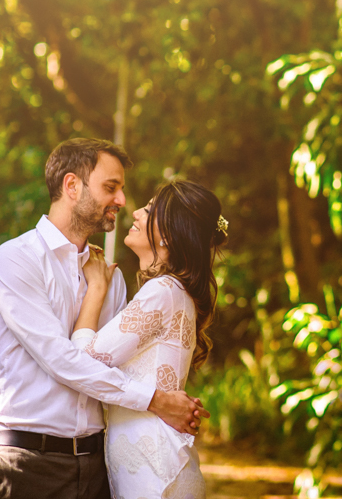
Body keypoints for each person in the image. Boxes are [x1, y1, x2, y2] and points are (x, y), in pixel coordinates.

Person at [0, 138, 209, 499]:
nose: (121, 201)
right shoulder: (15, 261)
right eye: (111, 188)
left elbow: (115, 368)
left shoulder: (111, 278)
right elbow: (63, 361)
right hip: (29, 462)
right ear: (72, 186)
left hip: (97, 466)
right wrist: (157, 400)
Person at [72, 179, 227, 499]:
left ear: (168, 235)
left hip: (156, 476)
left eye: (151, 209)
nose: (138, 211)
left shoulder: (163, 291)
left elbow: (82, 362)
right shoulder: (174, 292)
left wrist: (96, 290)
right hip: (155, 469)